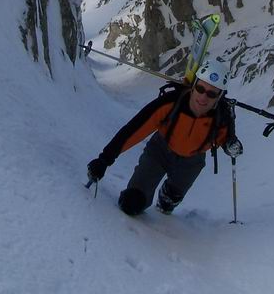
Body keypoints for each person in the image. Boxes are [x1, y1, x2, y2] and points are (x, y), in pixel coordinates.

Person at [87, 57, 244, 216]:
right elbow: (133, 130)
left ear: (219, 97)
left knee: (169, 203)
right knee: (132, 203)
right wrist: (104, 160)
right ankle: (142, 196)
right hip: (159, 152)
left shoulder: (222, 117)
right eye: (200, 89)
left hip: (191, 162)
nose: (203, 97)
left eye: (211, 94)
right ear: (193, 85)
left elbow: (225, 139)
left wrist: (231, 146)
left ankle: (168, 197)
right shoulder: (170, 104)